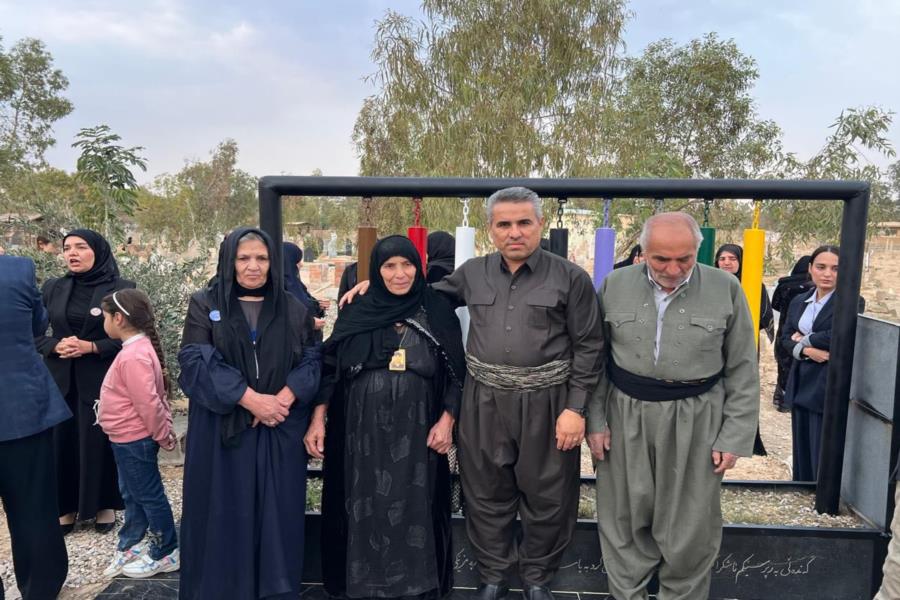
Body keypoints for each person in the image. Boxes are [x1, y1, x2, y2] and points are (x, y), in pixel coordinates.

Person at [343, 187, 604, 600]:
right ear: (491, 229)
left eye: (524, 222)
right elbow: (422, 297)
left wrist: (576, 409)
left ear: (540, 224)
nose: (514, 232)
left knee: (549, 494)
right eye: (504, 224)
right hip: (483, 401)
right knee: (484, 491)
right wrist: (374, 288)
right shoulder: (472, 273)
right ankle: (493, 576)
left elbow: (589, 346)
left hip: (547, 400)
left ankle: (537, 578)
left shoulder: (570, 278)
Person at [587, 212, 759, 600]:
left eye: (684, 258)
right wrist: (595, 420)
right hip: (625, 414)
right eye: (661, 259)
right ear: (643, 251)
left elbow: (743, 367)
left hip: (698, 417)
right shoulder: (614, 285)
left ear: (698, 250)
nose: (673, 269)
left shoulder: (725, 287)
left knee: (691, 525)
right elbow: (596, 360)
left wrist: (733, 435)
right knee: (623, 516)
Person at [305, 235, 465, 600]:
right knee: (363, 503)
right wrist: (317, 421)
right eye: (389, 266)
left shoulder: (436, 309)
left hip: (419, 431)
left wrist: (447, 422)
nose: (399, 274)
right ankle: (365, 585)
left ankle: (415, 587)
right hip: (360, 433)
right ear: (376, 272)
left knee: (416, 505)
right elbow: (330, 368)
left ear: (419, 267)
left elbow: (457, 372)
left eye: (407, 265)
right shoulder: (357, 310)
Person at [177, 227, 322, 600]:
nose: (253, 266)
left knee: (276, 516)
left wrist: (284, 397)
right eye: (244, 258)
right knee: (224, 514)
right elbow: (195, 360)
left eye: (261, 258)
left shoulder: (293, 307)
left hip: (278, 429)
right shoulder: (205, 303)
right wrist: (248, 398)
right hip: (224, 431)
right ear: (229, 261)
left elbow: (312, 357)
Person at [35, 229, 135, 534]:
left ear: (99, 251)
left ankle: (103, 505)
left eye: (80, 247)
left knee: (98, 441)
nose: (72, 253)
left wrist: (92, 346)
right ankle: (64, 507)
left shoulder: (121, 289)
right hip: (60, 378)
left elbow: (131, 337)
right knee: (61, 441)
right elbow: (33, 332)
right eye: (67, 248)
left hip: (102, 378)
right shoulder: (53, 287)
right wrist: (54, 346)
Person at [0, 254, 71, 600]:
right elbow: (37, 326)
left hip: (22, 407)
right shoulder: (17, 269)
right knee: (33, 508)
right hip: (22, 407)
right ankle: (41, 588)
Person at [97, 289, 180, 579]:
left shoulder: (134, 356)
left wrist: (162, 434)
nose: (104, 322)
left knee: (148, 495)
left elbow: (148, 402)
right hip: (125, 439)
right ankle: (132, 541)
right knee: (131, 493)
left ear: (118, 318)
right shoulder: (135, 350)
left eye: (105, 316)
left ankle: (165, 550)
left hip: (134, 439)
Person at [780, 245, 863, 482]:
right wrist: (807, 350)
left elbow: (838, 334)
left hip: (827, 382)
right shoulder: (799, 300)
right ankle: (802, 486)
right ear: (810, 268)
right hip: (801, 378)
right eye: (821, 267)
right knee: (801, 441)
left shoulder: (852, 301)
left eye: (836, 268)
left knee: (821, 443)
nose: (827, 274)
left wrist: (804, 338)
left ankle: (820, 490)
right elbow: (785, 337)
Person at [714, 243, 772, 457]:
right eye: (722, 259)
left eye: (732, 259)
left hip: (742, 344)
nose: (727, 263)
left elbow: (762, 317)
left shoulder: (753, 284)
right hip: (715, 344)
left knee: (741, 387)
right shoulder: (710, 285)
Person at [770, 256, 813, 412]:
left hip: (785, 330)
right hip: (805, 333)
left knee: (784, 365)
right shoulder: (813, 289)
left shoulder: (785, 285)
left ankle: (782, 400)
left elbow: (775, 305)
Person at [283, 242, 328, 337]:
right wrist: (311, 323)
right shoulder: (281, 287)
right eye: (297, 261)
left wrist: (318, 305)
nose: (301, 264)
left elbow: (305, 304)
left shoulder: (296, 284)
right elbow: (288, 316)